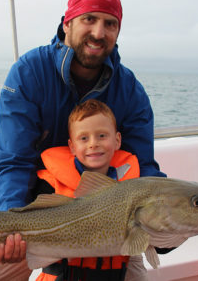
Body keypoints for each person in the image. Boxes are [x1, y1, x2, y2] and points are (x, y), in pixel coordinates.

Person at [0, 0, 165, 273]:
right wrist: (11, 226)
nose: (99, 33)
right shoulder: (28, 73)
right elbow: (15, 161)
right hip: (39, 219)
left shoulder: (130, 90)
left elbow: (143, 169)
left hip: (112, 224)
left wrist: (169, 221)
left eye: (110, 23)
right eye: (89, 19)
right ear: (67, 23)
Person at [35, 99, 146, 281]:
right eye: (84, 138)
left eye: (102, 136)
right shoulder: (49, 185)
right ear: (72, 146)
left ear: (117, 140)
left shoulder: (131, 184)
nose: (93, 144)